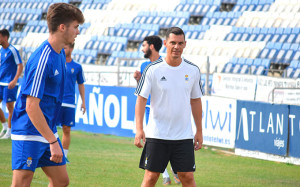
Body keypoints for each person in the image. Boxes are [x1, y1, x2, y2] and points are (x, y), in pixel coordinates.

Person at [10, 3, 84, 187]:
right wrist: (52, 141)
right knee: (21, 183)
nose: (78, 32)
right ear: (62, 27)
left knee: (61, 181)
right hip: (29, 129)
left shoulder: (59, 53)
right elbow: (31, 106)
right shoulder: (43, 58)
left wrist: (51, 136)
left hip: (46, 129)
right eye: (75, 27)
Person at [134, 27, 203, 187]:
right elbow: (141, 99)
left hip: (183, 135)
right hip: (157, 134)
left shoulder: (193, 70)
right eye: (173, 43)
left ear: (185, 44)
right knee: (151, 177)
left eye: (180, 43)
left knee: (187, 177)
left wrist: (199, 130)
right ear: (165, 43)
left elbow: (196, 101)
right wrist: (139, 129)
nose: (176, 47)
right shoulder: (152, 69)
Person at [133, 35, 181, 185]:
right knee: (153, 144)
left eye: (144, 45)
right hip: (149, 110)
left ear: (152, 47)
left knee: (167, 142)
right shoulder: (143, 67)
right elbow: (143, 92)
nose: (142, 49)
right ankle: (166, 174)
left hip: (167, 112)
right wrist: (138, 80)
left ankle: (173, 169)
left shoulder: (166, 63)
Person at [57, 42, 86, 163]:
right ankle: (50, 153)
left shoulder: (77, 67)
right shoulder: (57, 63)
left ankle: (64, 156)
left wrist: (83, 102)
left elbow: (81, 84)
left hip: (69, 102)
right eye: (62, 47)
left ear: (72, 48)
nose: (63, 49)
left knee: (66, 129)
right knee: (51, 127)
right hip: (56, 101)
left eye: (65, 47)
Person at [0, 29, 23, 139]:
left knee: (10, 106)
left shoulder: (13, 50)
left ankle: (10, 131)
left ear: (5, 37)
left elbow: (20, 65)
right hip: (1, 81)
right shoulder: (1, 50)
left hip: (9, 82)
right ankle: (4, 126)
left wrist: (14, 80)